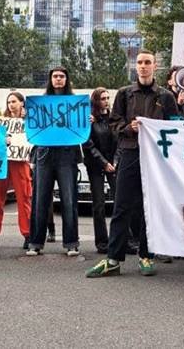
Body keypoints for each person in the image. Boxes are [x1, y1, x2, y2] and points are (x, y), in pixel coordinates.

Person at [86, 50, 179, 277]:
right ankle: (113, 259)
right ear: (135, 67)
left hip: (157, 159)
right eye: (140, 63)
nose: (143, 66)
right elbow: (114, 124)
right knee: (121, 206)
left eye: (148, 62)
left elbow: (176, 127)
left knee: (150, 207)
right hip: (129, 153)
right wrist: (129, 128)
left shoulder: (166, 96)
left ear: (155, 67)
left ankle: (146, 255)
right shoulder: (124, 94)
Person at [26, 67, 81, 257]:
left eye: (62, 76)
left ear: (67, 79)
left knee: (69, 200)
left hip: (67, 156)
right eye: (55, 76)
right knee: (40, 200)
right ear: (50, 80)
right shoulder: (40, 103)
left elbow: (81, 130)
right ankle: (35, 242)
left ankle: (71, 243)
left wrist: (86, 120)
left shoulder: (75, 104)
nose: (58, 79)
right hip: (44, 155)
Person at [0, 92, 33, 250]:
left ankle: (28, 234)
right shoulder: (2, 122)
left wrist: (27, 118)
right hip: (2, 162)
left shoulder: (29, 120)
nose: (11, 104)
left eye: (14, 101)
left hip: (20, 162)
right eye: (9, 102)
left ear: (22, 103)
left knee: (24, 197)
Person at [83, 88, 118, 254]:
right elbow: (88, 144)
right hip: (96, 164)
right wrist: (104, 163)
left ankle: (122, 239)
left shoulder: (113, 118)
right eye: (102, 98)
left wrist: (115, 162)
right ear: (96, 101)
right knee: (99, 205)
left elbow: (119, 142)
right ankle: (102, 243)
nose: (106, 101)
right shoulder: (90, 120)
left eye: (107, 98)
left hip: (113, 163)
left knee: (120, 202)